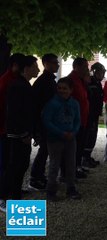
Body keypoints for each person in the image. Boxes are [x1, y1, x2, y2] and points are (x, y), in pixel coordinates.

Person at [0, 55, 38, 208]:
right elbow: (14, 112)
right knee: (13, 166)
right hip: (16, 135)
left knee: (21, 165)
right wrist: (22, 133)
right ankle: (4, 197)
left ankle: (15, 195)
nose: (38, 69)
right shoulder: (17, 85)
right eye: (35, 66)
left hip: (23, 134)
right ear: (26, 68)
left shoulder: (24, 84)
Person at [43, 78, 81, 201]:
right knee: (54, 164)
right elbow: (47, 121)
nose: (61, 91)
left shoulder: (74, 103)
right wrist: (61, 133)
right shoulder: (52, 104)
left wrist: (73, 132)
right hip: (55, 138)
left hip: (70, 138)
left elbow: (77, 120)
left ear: (71, 90)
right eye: (59, 88)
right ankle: (51, 190)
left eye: (65, 88)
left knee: (71, 163)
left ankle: (71, 188)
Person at [29, 54, 60, 191]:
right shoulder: (43, 81)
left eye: (57, 62)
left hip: (48, 122)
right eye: (54, 62)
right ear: (46, 63)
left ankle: (39, 176)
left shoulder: (49, 80)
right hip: (44, 123)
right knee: (44, 150)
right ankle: (35, 178)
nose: (57, 65)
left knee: (46, 150)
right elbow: (39, 106)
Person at [68, 58, 90, 178]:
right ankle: (70, 171)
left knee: (79, 146)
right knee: (73, 148)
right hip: (75, 121)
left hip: (82, 119)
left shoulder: (80, 80)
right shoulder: (71, 80)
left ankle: (76, 167)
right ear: (77, 66)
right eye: (85, 66)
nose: (87, 69)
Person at [82, 62, 105, 167]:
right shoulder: (91, 83)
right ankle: (85, 158)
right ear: (95, 72)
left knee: (93, 136)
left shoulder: (97, 83)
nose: (103, 75)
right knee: (89, 136)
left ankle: (88, 156)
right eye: (101, 72)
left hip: (95, 114)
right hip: (90, 114)